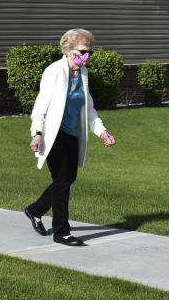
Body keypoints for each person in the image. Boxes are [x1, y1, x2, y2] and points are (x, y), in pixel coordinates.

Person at [23, 28, 115, 246]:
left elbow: (88, 109)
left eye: (88, 52)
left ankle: (35, 210)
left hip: (72, 134)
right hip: (53, 136)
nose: (85, 56)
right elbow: (40, 108)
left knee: (67, 179)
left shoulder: (82, 74)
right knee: (63, 181)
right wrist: (37, 134)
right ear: (67, 49)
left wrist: (103, 132)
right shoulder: (54, 71)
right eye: (82, 51)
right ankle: (62, 232)